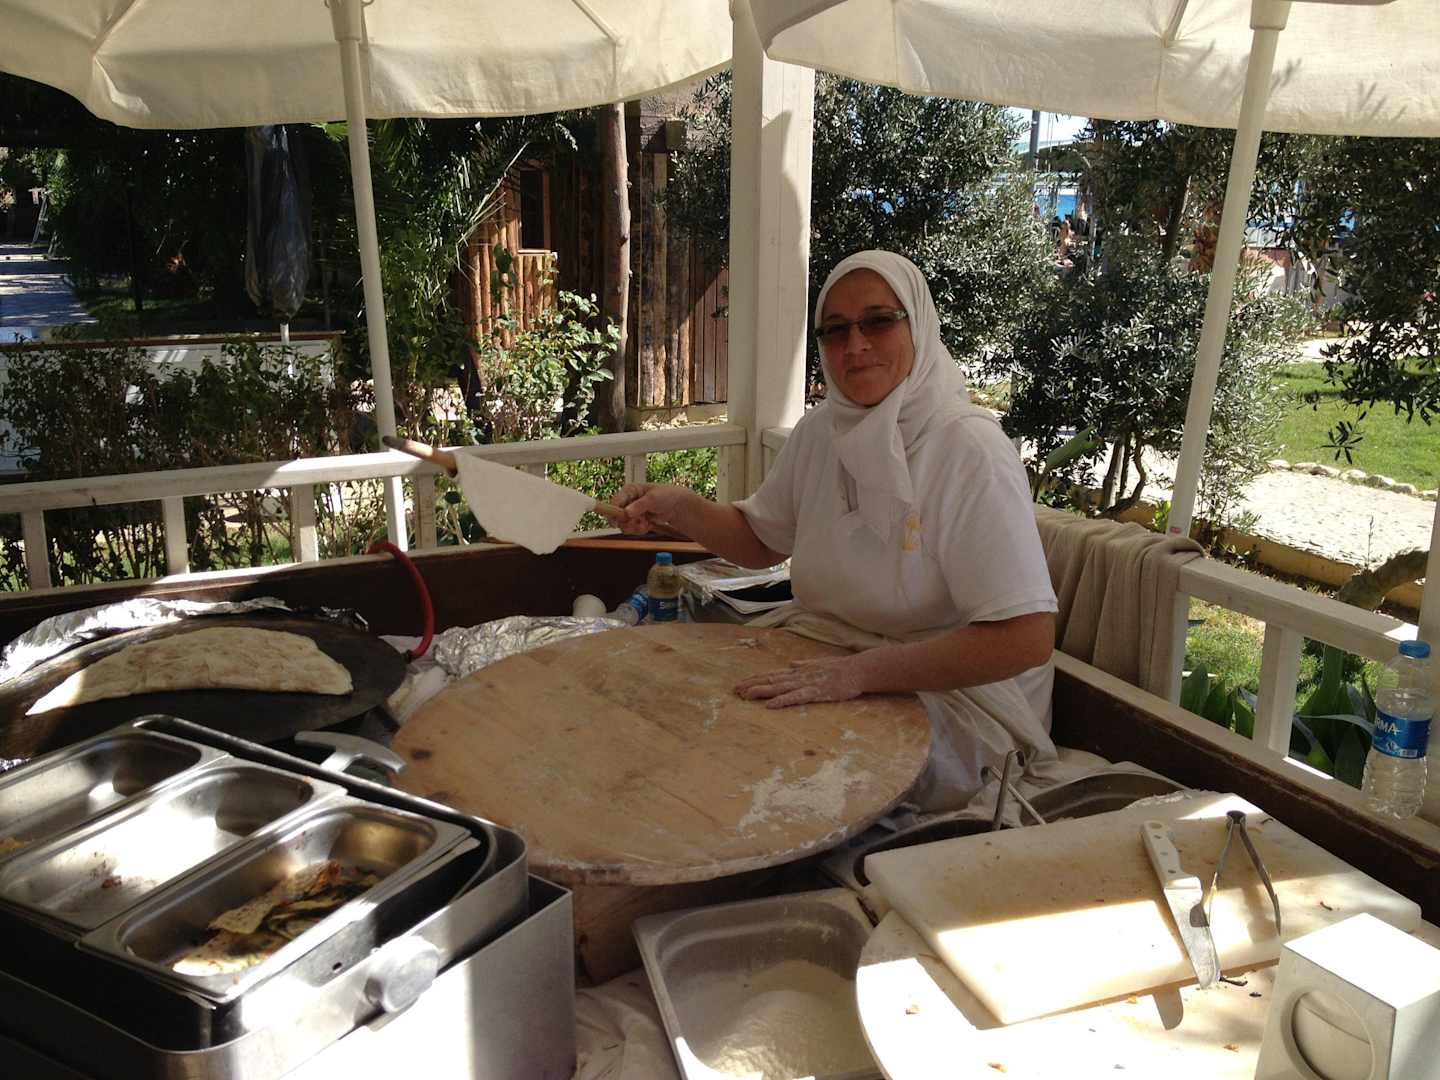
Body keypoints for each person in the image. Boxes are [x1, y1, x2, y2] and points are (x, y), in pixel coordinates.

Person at [614, 250, 1059, 810]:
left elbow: (1025, 638)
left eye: (878, 321)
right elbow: (760, 541)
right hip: (831, 659)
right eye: (836, 330)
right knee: (692, 712)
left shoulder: (968, 449)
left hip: (960, 704)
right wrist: (679, 506)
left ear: (918, 325)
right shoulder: (821, 432)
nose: (856, 345)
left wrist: (861, 674)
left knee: (784, 770)